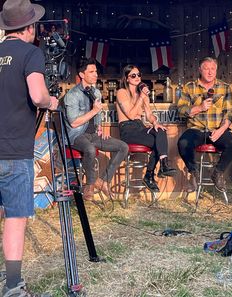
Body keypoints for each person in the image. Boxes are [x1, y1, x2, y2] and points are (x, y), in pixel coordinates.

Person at [0, 0, 59, 296]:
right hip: (12, 150)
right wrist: (51, 101)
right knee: (14, 217)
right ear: (29, 27)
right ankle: (12, 285)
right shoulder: (30, 53)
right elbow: (37, 95)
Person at [63, 58, 129, 200]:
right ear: (82, 75)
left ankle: (104, 181)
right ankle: (90, 184)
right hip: (76, 135)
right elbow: (73, 123)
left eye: (96, 71)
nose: (95, 74)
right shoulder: (72, 95)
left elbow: (98, 116)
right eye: (91, 72)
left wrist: (101, 128)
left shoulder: (96, 93)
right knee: (90, 150)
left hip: (93, 135)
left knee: (123, 147)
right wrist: (93, 111)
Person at [177, 57, 232, 192]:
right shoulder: (189, 87)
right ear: (200, 70)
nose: (210, 72)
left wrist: (222, 130)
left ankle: (217, 172)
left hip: (217, 129)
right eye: (206, 69)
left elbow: (229, 113)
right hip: (196, 129)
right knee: (183, 143)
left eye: (213, 69)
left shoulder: (224, 87)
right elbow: (181, 110)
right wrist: (199, 107)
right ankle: (193, 173)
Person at [116, 65, 176, 192]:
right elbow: (131, 115)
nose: (137, 77)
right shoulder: (122, 92)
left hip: (140, 126)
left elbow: (149, 115)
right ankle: (150, 175)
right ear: (127, 78)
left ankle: (162, 165)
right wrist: (141, 97)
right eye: (133, 75)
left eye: (139, 75)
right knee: (158, 143)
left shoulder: (142, 94)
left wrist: (155, 122)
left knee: (160, 131)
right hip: (127, 129)